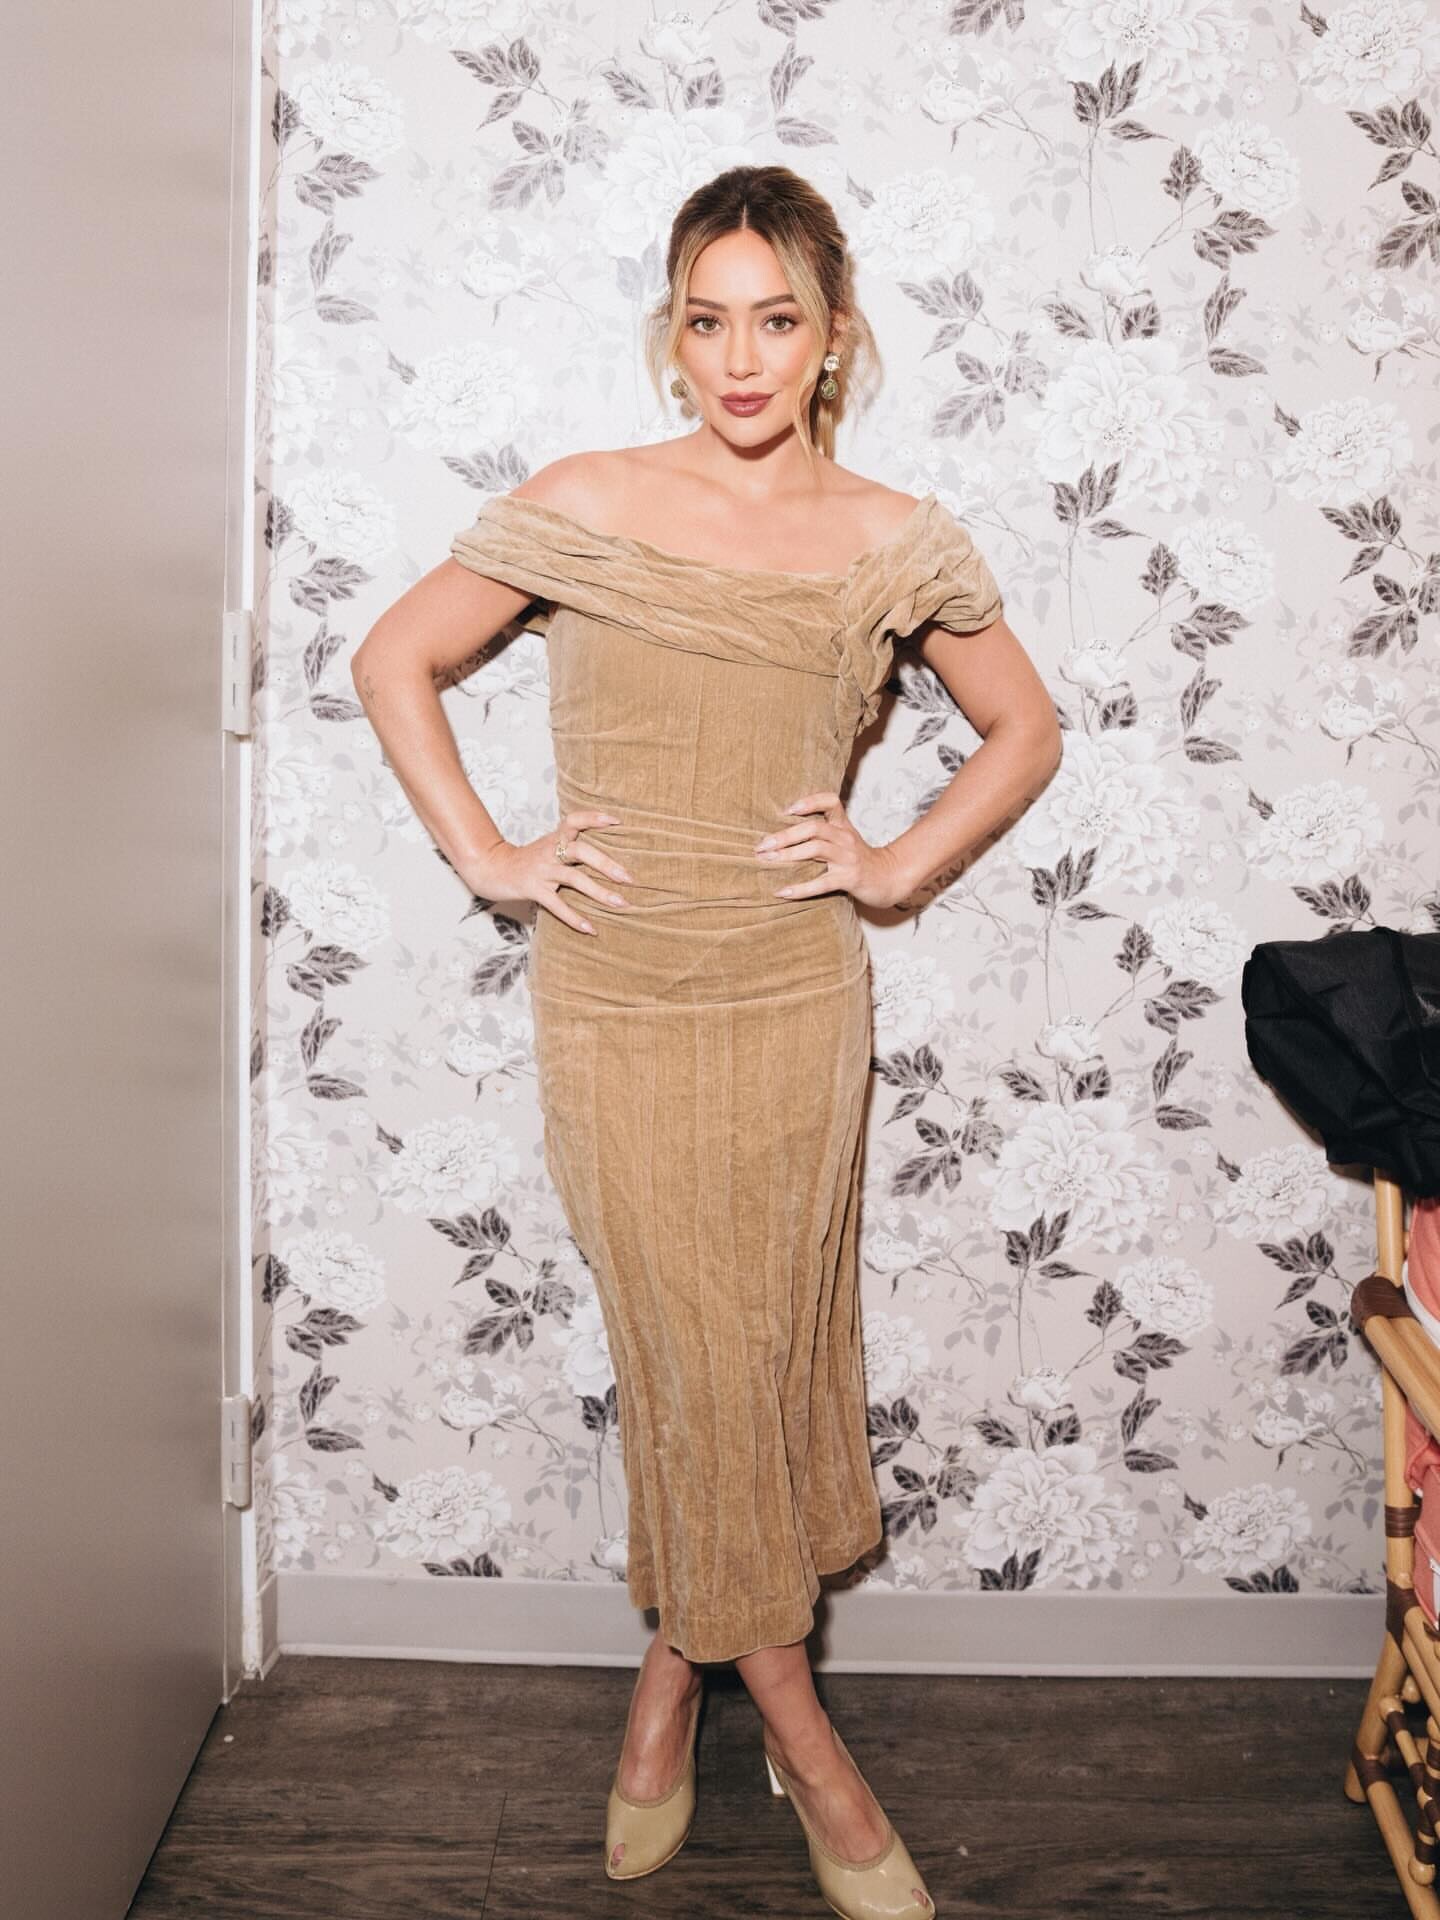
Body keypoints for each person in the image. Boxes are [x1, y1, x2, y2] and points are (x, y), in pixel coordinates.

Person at [352, 162, 1060, 1920]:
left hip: (794, 999)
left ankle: (671, 1684)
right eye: (707, 318)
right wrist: (492, 856)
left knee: (759, 1354)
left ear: (834, 338)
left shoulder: (893, 537)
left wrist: (890, 864)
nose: (740, 357)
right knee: (691, 1350)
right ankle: (811, 1748)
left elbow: (1025, 729)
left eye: (777, 319)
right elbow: (392, 661)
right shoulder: (588, 501)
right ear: (672, 335)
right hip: (614, 999)